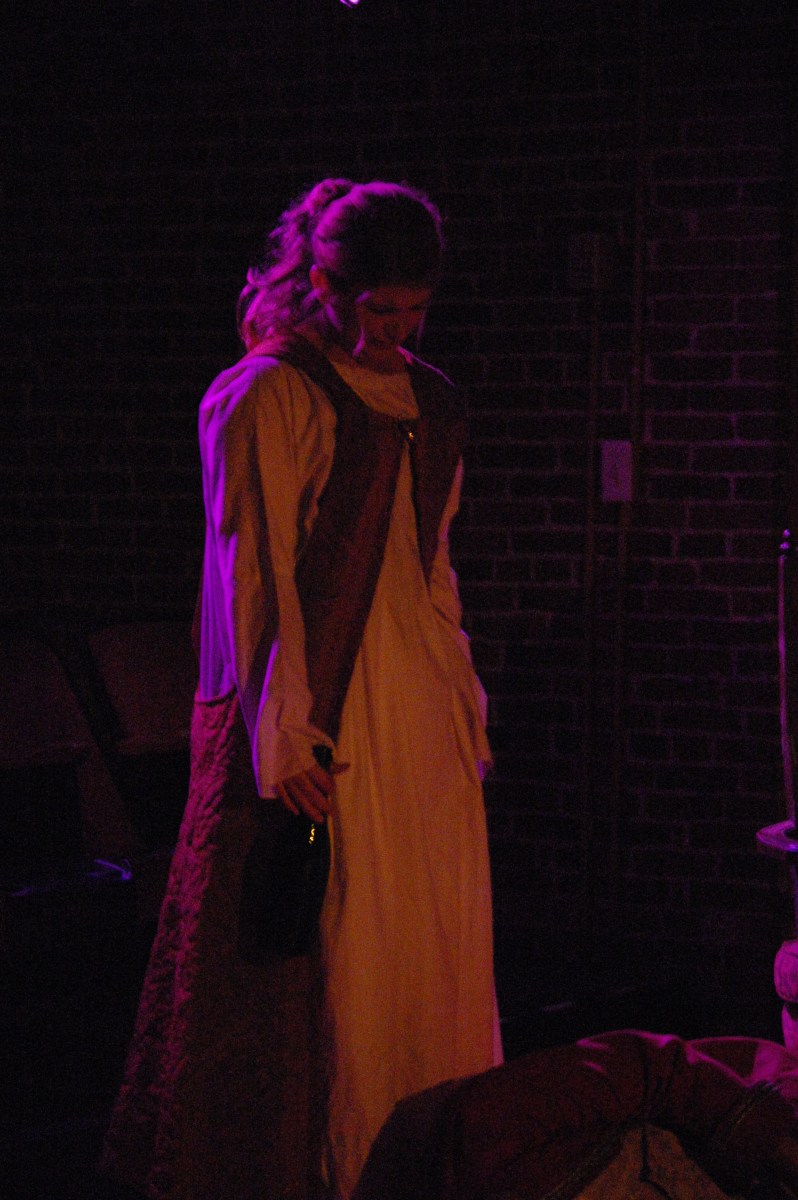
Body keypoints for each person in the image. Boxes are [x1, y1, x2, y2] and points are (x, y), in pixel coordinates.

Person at [100, 178, 502, 1200]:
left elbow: (432, 564)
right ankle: (336, 1162)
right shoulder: (269, 393)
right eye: (378, 309)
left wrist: (462, 699)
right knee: (340, 938)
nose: (396, 331)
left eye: (414, 311)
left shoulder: (434, 399)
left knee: (427, 928)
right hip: (323, 694)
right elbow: (256, 566)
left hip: (414, 692)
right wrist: (281, 732)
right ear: (324, 285)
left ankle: (427, 1157)